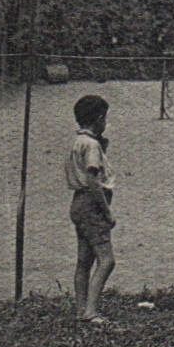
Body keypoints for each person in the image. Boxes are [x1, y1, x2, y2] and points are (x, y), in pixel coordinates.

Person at [65, 94, 115, 323]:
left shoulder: (79, 142)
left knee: (84, 260)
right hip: (92, 204)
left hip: (77, 202)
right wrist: (107, 212)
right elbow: (94, 181)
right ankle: (91, 310)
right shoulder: (92, 146)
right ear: (99, 118)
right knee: (106, 260)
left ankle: (80, 308)